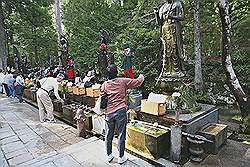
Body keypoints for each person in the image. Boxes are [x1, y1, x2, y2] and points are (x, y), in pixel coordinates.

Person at [101, 64, 144, 164]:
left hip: (109, 113)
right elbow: (137, 82)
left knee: (109, 134)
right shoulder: (123, 81)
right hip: (120, 111)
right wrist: (141, 76)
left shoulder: (105, 85)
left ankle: (109, 155)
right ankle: (121, 157)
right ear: (116, 73)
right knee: (121, 134)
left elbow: (103, 98)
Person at [154, 0, 185, 77]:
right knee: (166, 51)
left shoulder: (177, 3)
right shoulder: (163, 7)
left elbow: (182, 17)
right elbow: (159, 22)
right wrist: (156, 14)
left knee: (175, 49)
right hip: (165, 29)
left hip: (174, 27)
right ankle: (167, 70)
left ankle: (177, 71)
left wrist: (172, 17)